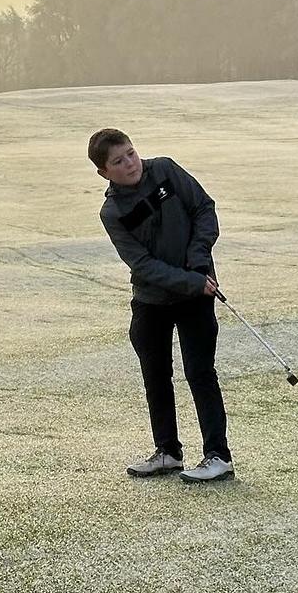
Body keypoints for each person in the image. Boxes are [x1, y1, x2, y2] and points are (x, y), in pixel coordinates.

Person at [88, 127, 234, 483]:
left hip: (196, 294)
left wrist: (198, 264)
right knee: (156, 376)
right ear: (104, 172)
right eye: (118, 162)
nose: (129, 164)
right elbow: (143, 265)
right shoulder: (113, 212)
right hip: (152, 300)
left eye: (131, 154)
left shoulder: (165, 171)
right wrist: (190, 280)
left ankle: (218, 457)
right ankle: (168, 452)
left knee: (200, 373)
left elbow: (203, 209)